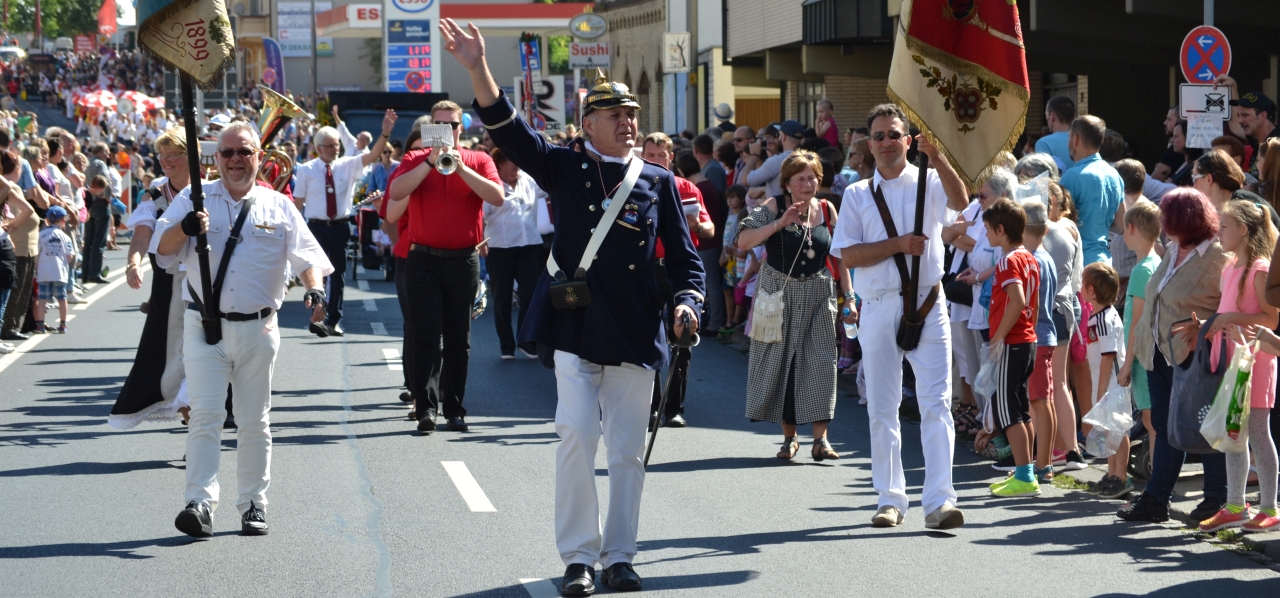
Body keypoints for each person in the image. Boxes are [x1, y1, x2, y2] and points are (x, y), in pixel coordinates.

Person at [443, 19, 704, 595]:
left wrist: (688, 303)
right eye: (617, 116)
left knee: (629, 453)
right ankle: (580, 559)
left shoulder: (658, 181)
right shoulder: (565, 165)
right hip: (576, 323)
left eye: (633, 115)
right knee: (577, 435)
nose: (629, 124)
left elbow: (686, 262)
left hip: (636, 330)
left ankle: (620, 556)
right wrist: (476, 68)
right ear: (589, 125)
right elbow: (511, 133)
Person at [152, 121, 334, 538]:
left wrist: (315, 292)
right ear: (215, 159)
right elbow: (162, 249)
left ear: (259, 157)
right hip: (205, 328)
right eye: (228, 153)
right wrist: (186, 228)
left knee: (254, 421)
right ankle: (199, 502)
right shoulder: (192, 198)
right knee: (205, 416)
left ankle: (253, 503)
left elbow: (307, 259)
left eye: (244, 152)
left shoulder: (279, 205)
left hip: (259, 329)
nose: (236, 160)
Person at [830, 103, 970, 529]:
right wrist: (897, 245)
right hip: (877, 306)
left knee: (936, 404)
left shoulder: (928, 180)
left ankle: (940, 501)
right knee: (883, 407)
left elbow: (961, 202)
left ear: (908, 140)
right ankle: (890, 498)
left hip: (928, 302)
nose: (887, 142)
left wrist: (941, 156)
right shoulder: (856, 193)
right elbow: (848, 254)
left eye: (894, 134)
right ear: (868, 146)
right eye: (879, 136)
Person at [386, 99, 503, 435]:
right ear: (428, 129)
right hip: (422, 260)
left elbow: (497, 197)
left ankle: (455, 408)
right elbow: (395, 192)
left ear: (460, 128)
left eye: (451, 125)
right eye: (438, 125)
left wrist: (460, 166)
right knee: (425, 338)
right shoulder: (414, 158)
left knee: (459, 340)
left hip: (463, 260)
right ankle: (426, 408)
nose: (445, 131)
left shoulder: (478, 159)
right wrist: (430, 163)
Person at [1120, 188, 1230, 524]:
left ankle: (1215, 499)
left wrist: (1208, 326)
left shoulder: (1219, 256)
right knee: (1167, 427)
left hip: (1193, 359)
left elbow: (1231, 308)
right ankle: (1156, 499)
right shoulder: (1172, 250)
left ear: (1188, 221)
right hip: (1157, 354)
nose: (1165, 226)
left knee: (1202, 428)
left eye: (1171, 219)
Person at [736, 151, 852, 459]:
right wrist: (780, 223)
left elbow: (839, 257)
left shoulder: (827, 209)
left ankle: (821, 440)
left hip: (819, 293)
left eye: (813, 177)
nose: (808, 183)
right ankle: (789, 438)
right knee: (784, 362)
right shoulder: (773, 206)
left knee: (822, 362)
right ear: (787, 183)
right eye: (800, 178)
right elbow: (743, 240)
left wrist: (849, 296)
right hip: (778, 294)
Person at [1196, 199, 1279, 531]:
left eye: (1225, 226)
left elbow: (1272, 319)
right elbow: (1227, 310)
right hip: (1234, 362)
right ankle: (1235, 504)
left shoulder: (1259, 269)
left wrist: (1231, 317)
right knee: (1235, 433)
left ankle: (1270, 506)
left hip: (1257, 361)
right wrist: (1206, 325)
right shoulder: (1229, 267)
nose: (1220, 232)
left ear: (1243, 230)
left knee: (1258, 431)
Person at [110, 127, 198, 429]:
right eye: (162, 156)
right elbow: (140, 236)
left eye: (173, 155)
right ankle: (194, 425)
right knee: (173, 359)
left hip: (208, 286)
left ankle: (201, 426)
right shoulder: (154, 196)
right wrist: (133, 262)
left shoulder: (210, 189)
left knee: (209, 358)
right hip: (169, 291)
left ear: (191, 156)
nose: (166, 161)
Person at [294, 109, 396, 337]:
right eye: (329, 145)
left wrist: (385, 134)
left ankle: (333, 320)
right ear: (318, 148)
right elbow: (298, 203)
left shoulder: (347, 164)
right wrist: (297, 233)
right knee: (318, 274)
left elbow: (373, 155)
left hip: (339, 227)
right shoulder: (306, 170)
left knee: (338, 274)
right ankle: (319, 317)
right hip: (316, 228)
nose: (335, 149)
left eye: (337, 144)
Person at [981, 198, 1041, 497]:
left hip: (1012, 342)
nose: (987, 235)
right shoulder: (1030, 257)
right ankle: (1024, 471)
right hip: (1027, 339)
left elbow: (1016, 300)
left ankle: (1025, 477)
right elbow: (1035, 303)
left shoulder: (1007, 260)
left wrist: (998, 337)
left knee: (1009, 414)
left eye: (989, 230)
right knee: (1019, 410)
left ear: (1001, 229)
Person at [1116, 200, 1161, 484]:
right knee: (1152, 419)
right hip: (1150, 354)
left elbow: (1137, 321)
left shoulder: (1141, 269)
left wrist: (1127, 363)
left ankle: (1158, 480)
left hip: (1142, 357)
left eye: (1124, 229)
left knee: (1150, 420)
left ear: (1132, 229)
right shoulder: (1157, 262)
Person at [1079, 263, 1131, 499]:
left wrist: (1100, 394)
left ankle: (1121, 476)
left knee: (1118, 432)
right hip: (1105, 385)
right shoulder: (1097, 316)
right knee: (1110, 432)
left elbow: (1108, 356)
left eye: (1082, 284)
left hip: (1112, 387)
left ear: (1091, 290)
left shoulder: (1104, 319)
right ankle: (1112, 474)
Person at [485, 148, 543, 359]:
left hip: (528, 245)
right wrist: (480, 242)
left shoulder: (527, 180)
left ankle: (526, 340)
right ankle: (506, 345)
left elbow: (550, 188)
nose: (517, 167)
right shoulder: (491, 185)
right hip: (500, 248)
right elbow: (481, 216)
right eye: (512, 162)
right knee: (502, 297)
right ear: (499, 164)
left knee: (531, 293)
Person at [1021, 200, 1058, 483]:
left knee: (1040, 401)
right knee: (1044, 401)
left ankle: (1043, 463)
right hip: (1044, 336)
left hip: (1037, 338)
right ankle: (1042, 461)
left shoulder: (1035, 260)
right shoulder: (1044, 257)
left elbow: (1030, 306)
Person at [1060, 115, 1124, 267]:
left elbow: (1057, 225)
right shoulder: (1114, 174)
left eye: (1069, 136)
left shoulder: (1072, 176)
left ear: (1076, 139)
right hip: (1105, 262)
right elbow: (1121, 226)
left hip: (1078, 265)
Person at [33, 205, 72, 334]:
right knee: (61, 298)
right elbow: (70, 256)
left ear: (47, 220)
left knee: (42, 298)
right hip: (59, 272)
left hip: (44, 272)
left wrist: (36, 268)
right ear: (63, 221)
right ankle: (63, 324)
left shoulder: (41, 235)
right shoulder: (65, 237)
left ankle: (40, 325)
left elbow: (36, 254)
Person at [744, 120, 803, 198]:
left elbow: (746, 180)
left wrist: (754, 155)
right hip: (802, 207)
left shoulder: (775, 161)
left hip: (777, 208)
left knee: (756, 210)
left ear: (784, 136)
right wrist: (776, 154)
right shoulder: (808, 158)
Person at [1036, 95, 1077, 171]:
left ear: (1052, 116)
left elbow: (1044, 176)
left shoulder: (1043, 143)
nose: (1046, 119)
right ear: (1073, 118)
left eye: (1046, 115)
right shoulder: (1082, 140)